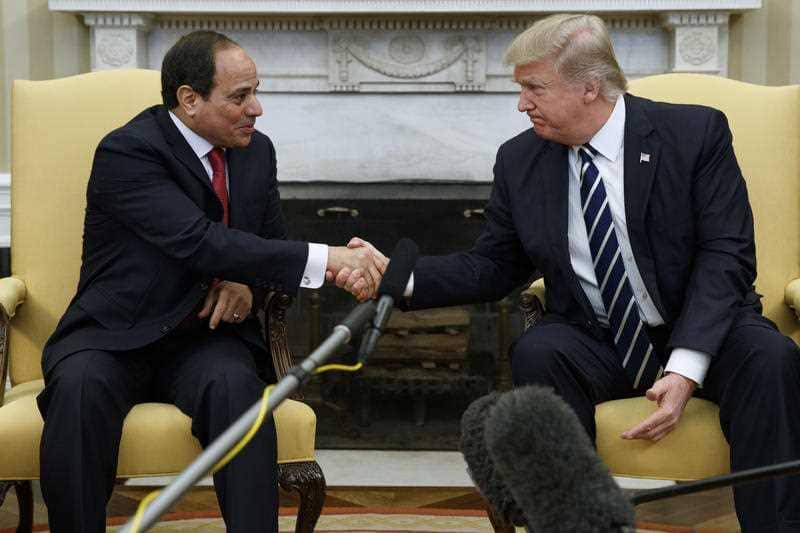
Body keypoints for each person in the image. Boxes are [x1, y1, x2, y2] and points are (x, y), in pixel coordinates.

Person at [341, 14, 800, 531]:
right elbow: (493, 265)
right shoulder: (520, 160)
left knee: (771, 359)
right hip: (598, 339)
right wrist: (395, 276)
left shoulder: (694, 134)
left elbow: (726, 254)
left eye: (534, 88)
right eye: (520, 88)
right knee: (538, 351)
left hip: (703, 327)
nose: (522, 104)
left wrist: (685, 368)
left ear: (590, 87)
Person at [37, 30, 384, 532]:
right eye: (240, 97)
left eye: (256, 92)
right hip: (115, 335)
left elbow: (269, 246)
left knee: (238, 389)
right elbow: (196, 241)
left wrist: (248, 285)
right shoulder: (129, 152)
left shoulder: (255, 152)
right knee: (79, 390)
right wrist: (328, 258)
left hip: (204, 338)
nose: (256, 109)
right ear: (189, 99)